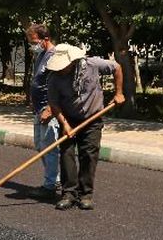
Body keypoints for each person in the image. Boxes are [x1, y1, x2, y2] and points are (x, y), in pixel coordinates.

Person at [45, 44, 125, 210]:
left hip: (92, 119)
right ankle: (69, 194)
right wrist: (65, 124)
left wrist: (119, 93)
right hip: (68, 118)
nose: (60, 69)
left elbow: (117, 67)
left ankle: (85, 194)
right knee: (66, 154)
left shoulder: (93, 65)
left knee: (88, 154)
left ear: (72, 62)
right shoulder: (54, 78)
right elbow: (54, 104)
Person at [26, 23, 60, 199]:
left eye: (34, 41)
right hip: (38, 108)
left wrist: (51, 108)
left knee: (49, 147)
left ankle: (51, 185)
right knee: (40, 145)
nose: (32, 45)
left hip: (49, 109)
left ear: (45, 39)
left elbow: (56, 85)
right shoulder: (41, 55)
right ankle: (53, 180)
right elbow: (38, 80)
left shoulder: (54, 57)